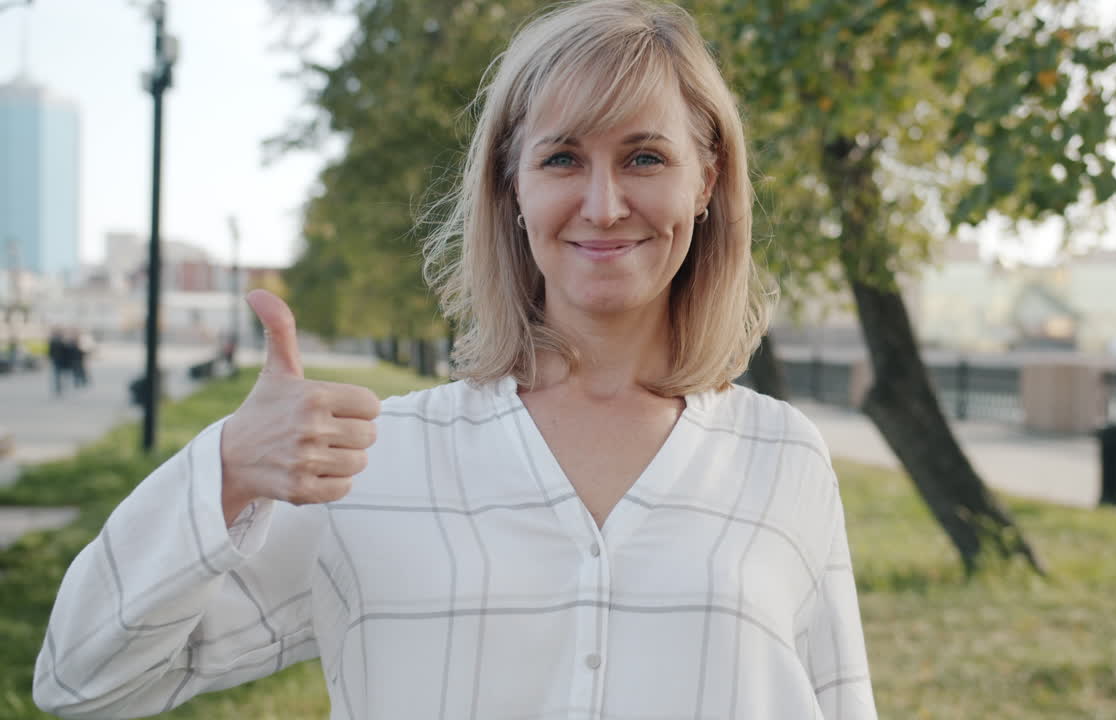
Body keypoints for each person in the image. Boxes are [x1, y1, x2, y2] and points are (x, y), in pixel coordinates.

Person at [33, 1, 876, 718]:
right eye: (562, 158)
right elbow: (83, 680)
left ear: (705, 180)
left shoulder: (783, 458)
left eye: (645, 157)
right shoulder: (377, 463)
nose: (605, 203)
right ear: (511, 187)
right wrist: (222, 472)